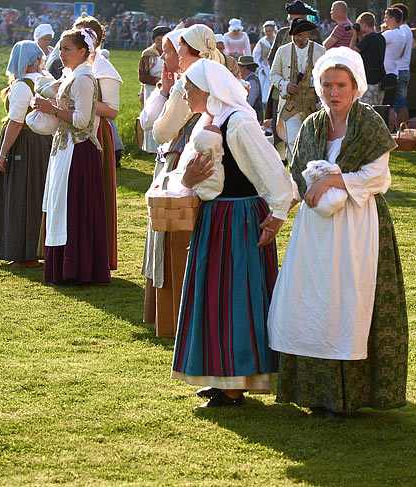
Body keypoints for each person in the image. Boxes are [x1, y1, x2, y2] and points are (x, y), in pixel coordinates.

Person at [268, 47, 408, 420]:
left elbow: (376, 177)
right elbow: (296, 176)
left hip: (357, 226)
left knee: (347, 303)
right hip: (315, 228)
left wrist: (333, 179)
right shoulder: (312, 125)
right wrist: (280, 211)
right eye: (327, 84)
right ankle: (313, 391)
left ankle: (346, 397)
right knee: (311, 302)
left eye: (341, 85)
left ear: (355, 86)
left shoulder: (369, 124)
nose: (334, 92)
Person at [171, 58, 295, 408]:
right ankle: (220, 375)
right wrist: (188, 181)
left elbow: (271, 170)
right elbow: (193, 173)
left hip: (239, 218)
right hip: (215, 217)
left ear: (209, 89)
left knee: (236, 296)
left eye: (189, 88)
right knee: (213, 295)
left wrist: (278, 214)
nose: (184, 93)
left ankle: (236, 383)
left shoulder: (238, 122)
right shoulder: (210, 120)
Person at [139, 24, 230, 336]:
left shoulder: (186, 85)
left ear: (192, 52)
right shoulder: (219, 75)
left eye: (178, 50)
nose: (174, 55)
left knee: (176, 232)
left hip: (182, 160)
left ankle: (175, 311)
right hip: (213, 161)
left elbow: (160, 131)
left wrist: (166, 93)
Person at [35, 28, 110, 285]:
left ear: (82, 51)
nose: (61, 54)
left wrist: (52, 110)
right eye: (60, 49)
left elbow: (82, 120)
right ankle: (64, 266)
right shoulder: (72, 75)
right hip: (66, 148)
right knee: (61, 206)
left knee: (72, 208)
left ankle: (76, 268)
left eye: (67, 49)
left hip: (78, 151)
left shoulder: (84, 79)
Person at [0, 41, 52, 267]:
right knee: (38, 193)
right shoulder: (47, 80)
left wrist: (3, 153)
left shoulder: (23, 86)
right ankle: (37, 248)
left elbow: (15, 123)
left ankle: (24, 253)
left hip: (23, 143)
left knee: (20, 194)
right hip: (44, 141)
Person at [73, 16, 121, 272]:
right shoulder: (77, 66)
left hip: (96, 134)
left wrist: (82, 103)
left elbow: (112, 110)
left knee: (93, 192)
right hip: (72, 131)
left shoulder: (104, 68)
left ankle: (94, 255)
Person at [270, 18, 325, 161]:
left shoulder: (320, 51)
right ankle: (296, 171)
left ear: (308, 33)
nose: (296, 38)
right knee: (293, 141)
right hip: (290, 106)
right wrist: (285, 85)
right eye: (294, 35)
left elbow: (326, 76)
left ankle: (309, 170)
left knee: (312, 143)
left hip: (314, 107)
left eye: (300, 35)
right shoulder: (283, 51)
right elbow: (274, 74)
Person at [138, 25, 170, 154]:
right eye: (158, 40)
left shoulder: (173, 53)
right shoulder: (148, 55)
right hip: (152, 90)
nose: (161, 43)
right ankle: (152, 148)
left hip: (168, 89)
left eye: (163, 40)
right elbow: (142, 76)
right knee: (152, 115)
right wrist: (158, 80)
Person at [349, 12, 385, 106]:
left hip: (368, 80)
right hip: (379, 78)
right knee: (377, 107)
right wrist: (360, 35)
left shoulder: (369, 38)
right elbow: (364, 48)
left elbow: (352, 51)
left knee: (366, 107)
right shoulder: (381, 38)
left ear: (364, 25)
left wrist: (354, 34)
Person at [380, 8, 405, 117]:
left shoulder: (391, 34)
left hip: (385, 72)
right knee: (390, 107)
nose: (384, 20)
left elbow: (375, 41)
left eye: (386, 18)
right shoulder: (401, 35)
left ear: (393, 19)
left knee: (382, 106)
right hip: (393, 71)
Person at [392, 3, 412, 127]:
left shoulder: (402, 30)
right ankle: (403, 128)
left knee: (400, 103)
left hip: (400, 68)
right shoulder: (407, 29)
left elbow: (401, 50)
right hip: (404, 68)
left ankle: (402, 128)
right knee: (401, 101)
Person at [252, 20, 276, 104]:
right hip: (265, 67)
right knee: (264, 88)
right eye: (266, 31)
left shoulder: (277, 40)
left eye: (270, 31)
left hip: (275, 65)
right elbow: (256, 56)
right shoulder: (262, 42)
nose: (268, 33)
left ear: (273, 30)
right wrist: (260, 68)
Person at [238, 55, 264, 122]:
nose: (238, 70)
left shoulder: (252, 81)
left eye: (239, 67)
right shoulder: (247, 80)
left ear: (245, 68)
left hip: (253, 120)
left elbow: (249, 103)